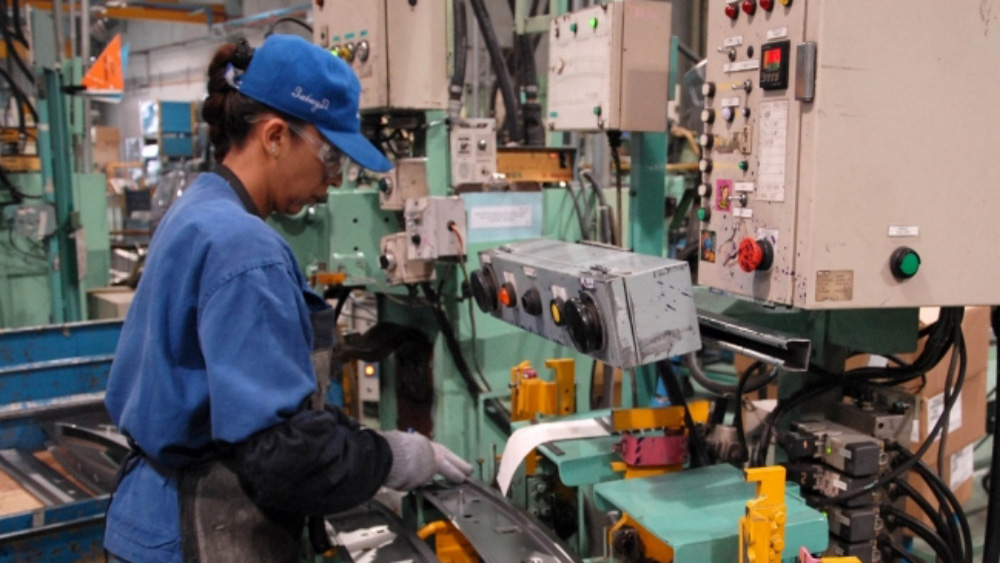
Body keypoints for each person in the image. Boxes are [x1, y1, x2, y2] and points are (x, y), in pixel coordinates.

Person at [103, 34, 472, 563]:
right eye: (330, 157)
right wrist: (390, 457)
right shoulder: (245, 248)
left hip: (150, 517)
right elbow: (282, 456)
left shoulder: (198, 209)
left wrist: (351, 440)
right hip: (199, 531)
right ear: (275, 136)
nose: (334, 180)